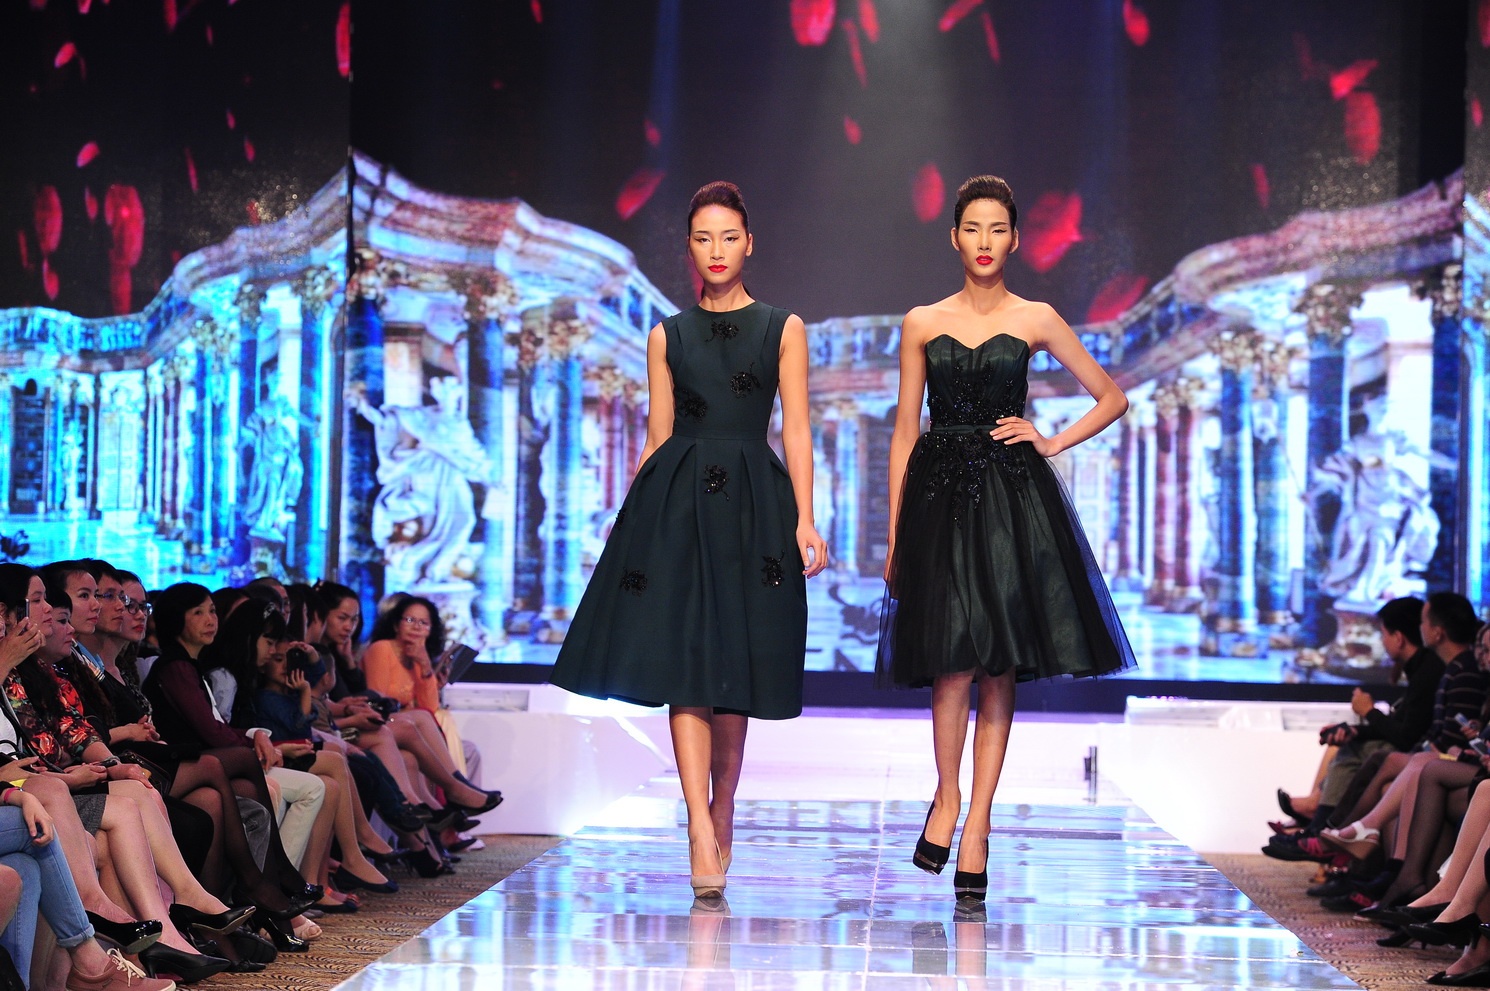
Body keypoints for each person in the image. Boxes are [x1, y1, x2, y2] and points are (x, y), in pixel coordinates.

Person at [549, 180, 828, 899]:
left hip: (755, 504)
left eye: (728, 237)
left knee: (737, 665)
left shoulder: (783, 328)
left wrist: (805, 517)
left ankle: (722, 803)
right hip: (677, 503)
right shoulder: (665, 335)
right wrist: (632, 521)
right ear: (689, 248)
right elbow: (657, 434)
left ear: (749, 243)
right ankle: (698, 824)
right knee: (688, 664)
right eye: (703, 238)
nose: (716, 250)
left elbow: (797, 428)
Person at [876, 175, 1135, 903]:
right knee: (949, 661)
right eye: (973, 228)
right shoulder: (921, 321)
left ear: (1015, 239)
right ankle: (947, 795)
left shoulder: (1037, 316)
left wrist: (1050, 441)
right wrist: (896, 534)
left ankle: (979, 822)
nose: (985, 241)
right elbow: (904, 432)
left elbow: (1111, 396)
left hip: (1011, 503)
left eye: (998, 229)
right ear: (954, 237)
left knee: (997, 667)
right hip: (938, 502)